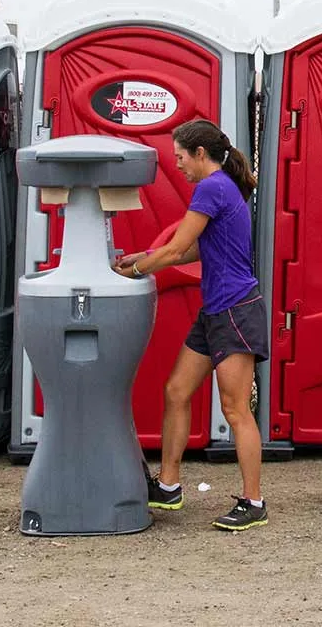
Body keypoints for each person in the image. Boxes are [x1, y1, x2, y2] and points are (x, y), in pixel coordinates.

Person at [114, 118, 269, 531]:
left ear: (200, 155)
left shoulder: (212, 188)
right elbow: (193, 250)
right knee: (177, 390)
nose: (177, 164)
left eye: (180, 157)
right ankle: (168, 486)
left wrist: (128, 274)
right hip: (216, 310)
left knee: (236, 410)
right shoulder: (220, 189)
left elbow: (178, 248)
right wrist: (140, 257)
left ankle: (254, 502)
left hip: (235, 310)